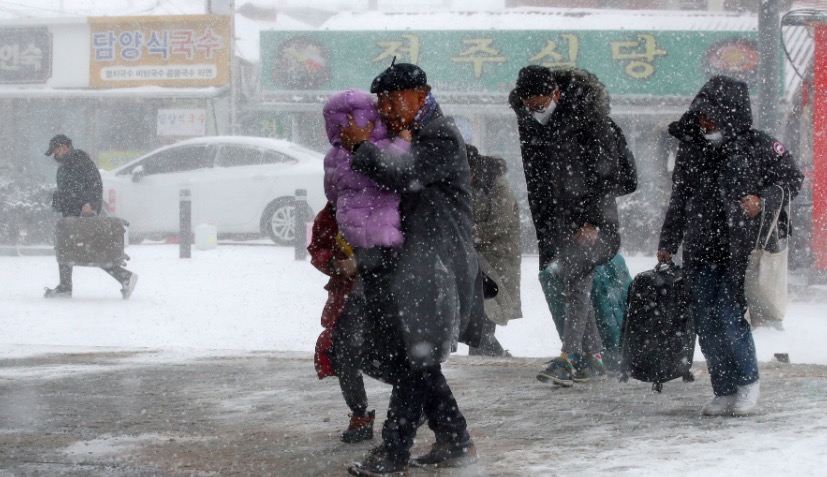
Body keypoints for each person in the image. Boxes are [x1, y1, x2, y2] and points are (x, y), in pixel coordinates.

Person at [339, 62, 485, 476]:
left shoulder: (439, 135)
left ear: (422, 94)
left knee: (414, 361)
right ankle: (455, 440)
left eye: (394, 98)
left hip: (438, 264)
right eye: (380, 101)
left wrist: (360, 149)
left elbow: (400, 175)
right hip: (416, 265)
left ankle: (393, 452)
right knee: (414, 358)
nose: (385, 108)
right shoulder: (411, 135)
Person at [657, 75, 803, 416]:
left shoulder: (760, 146)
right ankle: (723, 389)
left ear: (732, 116)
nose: (706, 125)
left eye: (713, 118)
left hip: (742, 253)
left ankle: (748, 383)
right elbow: (679, 199)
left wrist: (762, 200)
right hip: (701, 250)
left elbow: (792, 180)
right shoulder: (692, 150)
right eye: (702, 118)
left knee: (729, 317)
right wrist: (668, 242)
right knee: (705, 321)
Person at [509, 66, 637, 386]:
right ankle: (592, 358)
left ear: (556, 94)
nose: (535, 112)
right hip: (556, 221)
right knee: (571, 286)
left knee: (577, 287)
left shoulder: (591, 123)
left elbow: (607, 176)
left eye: (540, 105)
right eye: (529, 106)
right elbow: (538, 180)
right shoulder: (532, 124)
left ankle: (570, 356)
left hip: (589, 221)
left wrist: (593, 219)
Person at [43, 134, 138, 299]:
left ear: (64, 147)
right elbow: (68, 188)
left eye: (55, 151)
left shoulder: (79, 161)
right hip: (72, 213)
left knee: (86, 250)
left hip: (82, 213)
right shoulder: (67, 164)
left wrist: (91, 205)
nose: (54, 155)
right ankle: (66, 286)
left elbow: (94, 184)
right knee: (70, 248)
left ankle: (124, 277)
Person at [465, 144, 522, 357]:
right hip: (473, 254)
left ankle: (486, 350)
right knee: (479, 305)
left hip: (499, 254)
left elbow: (501, 222)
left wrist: (469, 235)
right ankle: (483, 350)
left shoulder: (497, 184)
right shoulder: (462, 184)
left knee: (489, 302)